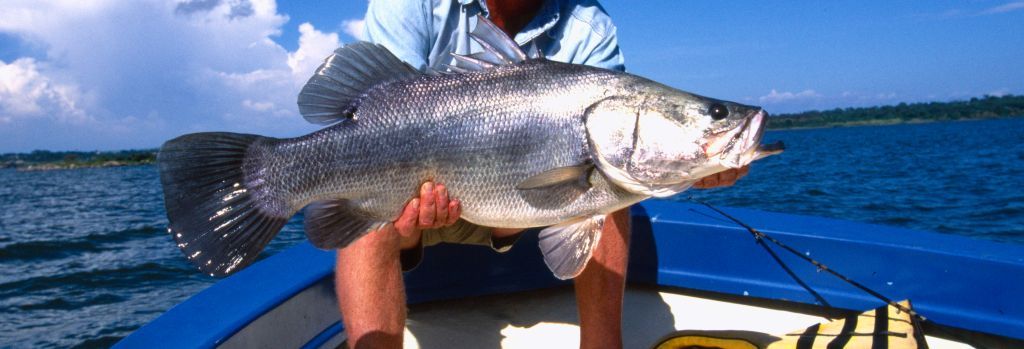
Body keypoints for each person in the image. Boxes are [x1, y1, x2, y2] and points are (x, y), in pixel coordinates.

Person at [333, 1, 750, 348]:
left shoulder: (589, 25)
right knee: (365, 203)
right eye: (711, 117)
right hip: (422, 203)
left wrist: (694, 166)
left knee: (610, 189)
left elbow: (620, 158)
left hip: (532, 198)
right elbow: (369, 109)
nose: (718, 125)